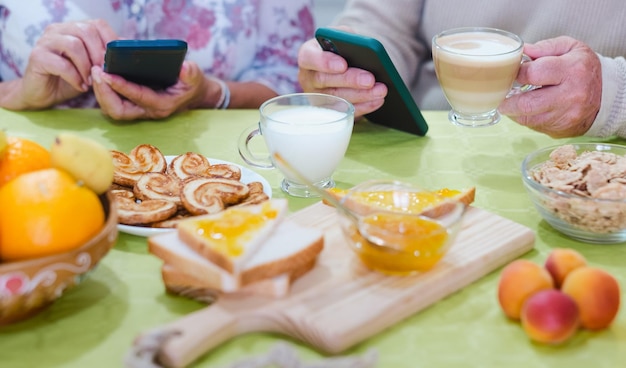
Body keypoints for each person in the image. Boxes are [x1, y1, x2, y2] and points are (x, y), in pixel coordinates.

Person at [297, 0, 626, 138]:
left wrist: (610, 93)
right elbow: (382, 21)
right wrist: (345, 67)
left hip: (585, 156)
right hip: (428, 140)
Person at [0, 0, 314, 120]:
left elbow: (298, 88)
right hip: (37, 180)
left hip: (220, 173)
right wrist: (19, 93)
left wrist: (210, 93)